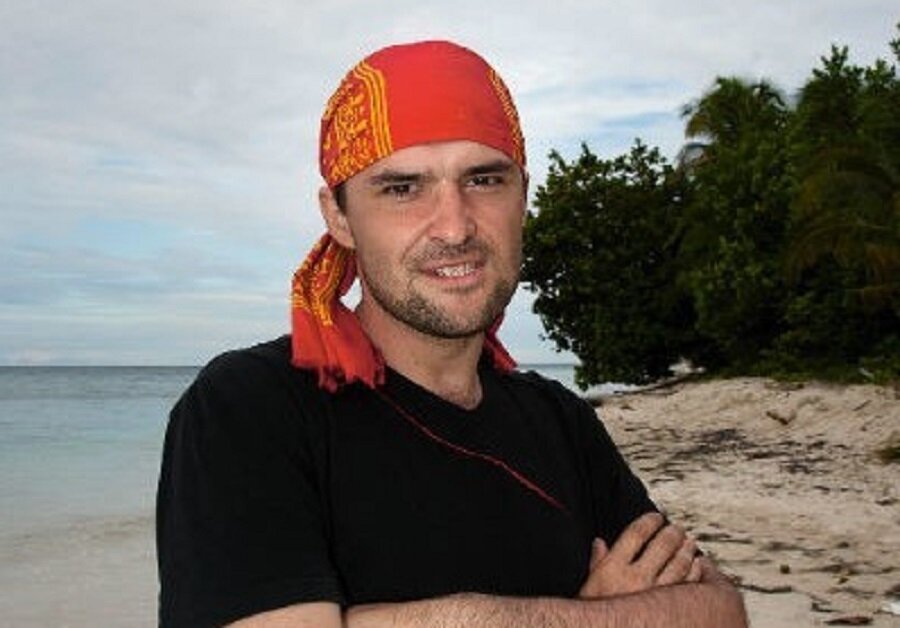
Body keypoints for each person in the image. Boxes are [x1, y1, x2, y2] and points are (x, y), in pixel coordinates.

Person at [156, 40, 747, 627]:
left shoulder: (560, 422)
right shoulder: (251, 407)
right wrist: (596, 614)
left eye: (484, 180)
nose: (455, 227)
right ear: (339, 217)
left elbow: (722, 611)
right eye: (402, 188)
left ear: (522, 196)